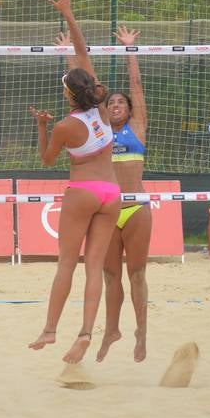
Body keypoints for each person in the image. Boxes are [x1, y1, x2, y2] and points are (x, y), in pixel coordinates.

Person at [28, 0, 120, 364]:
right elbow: (82, 53)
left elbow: (47, 160)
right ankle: (84, 333)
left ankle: (50, 330)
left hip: (82, 191)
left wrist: (42, 127)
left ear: (68, 94)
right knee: (94, 267)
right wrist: (69, 13)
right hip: (111, 192)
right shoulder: (101, 108)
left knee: (67, 263)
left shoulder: (66, 126)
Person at [56, 25, 150, 363]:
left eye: (121, 102)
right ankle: (112, 330)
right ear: (103, 106)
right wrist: (69, 52)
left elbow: (136, 87)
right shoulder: (98, 129)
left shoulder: (137, 128)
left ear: (128, 108)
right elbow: (80, 83)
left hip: (136, 206)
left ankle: (141, 331)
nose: (115, 104)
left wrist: (130, 50)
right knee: (109, 276)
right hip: (110, 206)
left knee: (137, 273)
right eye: (111, 102)